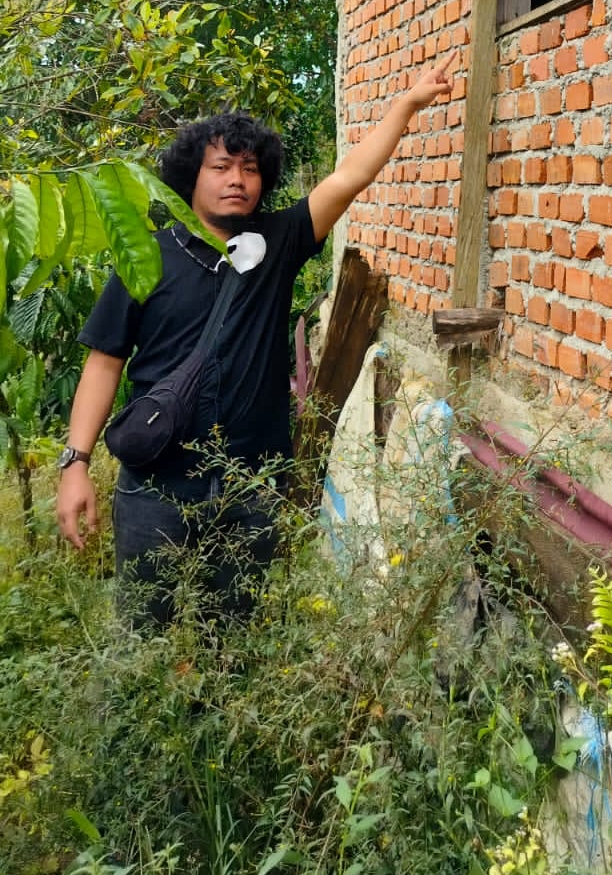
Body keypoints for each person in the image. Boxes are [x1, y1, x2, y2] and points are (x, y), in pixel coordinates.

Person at [56, 60, 455, 622]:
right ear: (191, 176)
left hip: (252, 484)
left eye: (248, 168)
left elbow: (349, 178)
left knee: (237, 636)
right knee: (144, 630)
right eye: (220, 167)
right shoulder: (145, 257)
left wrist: (407, 104)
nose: (236, 179)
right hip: (158, 483)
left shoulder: (280, 241)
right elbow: (104, 362)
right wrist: (76, 464)